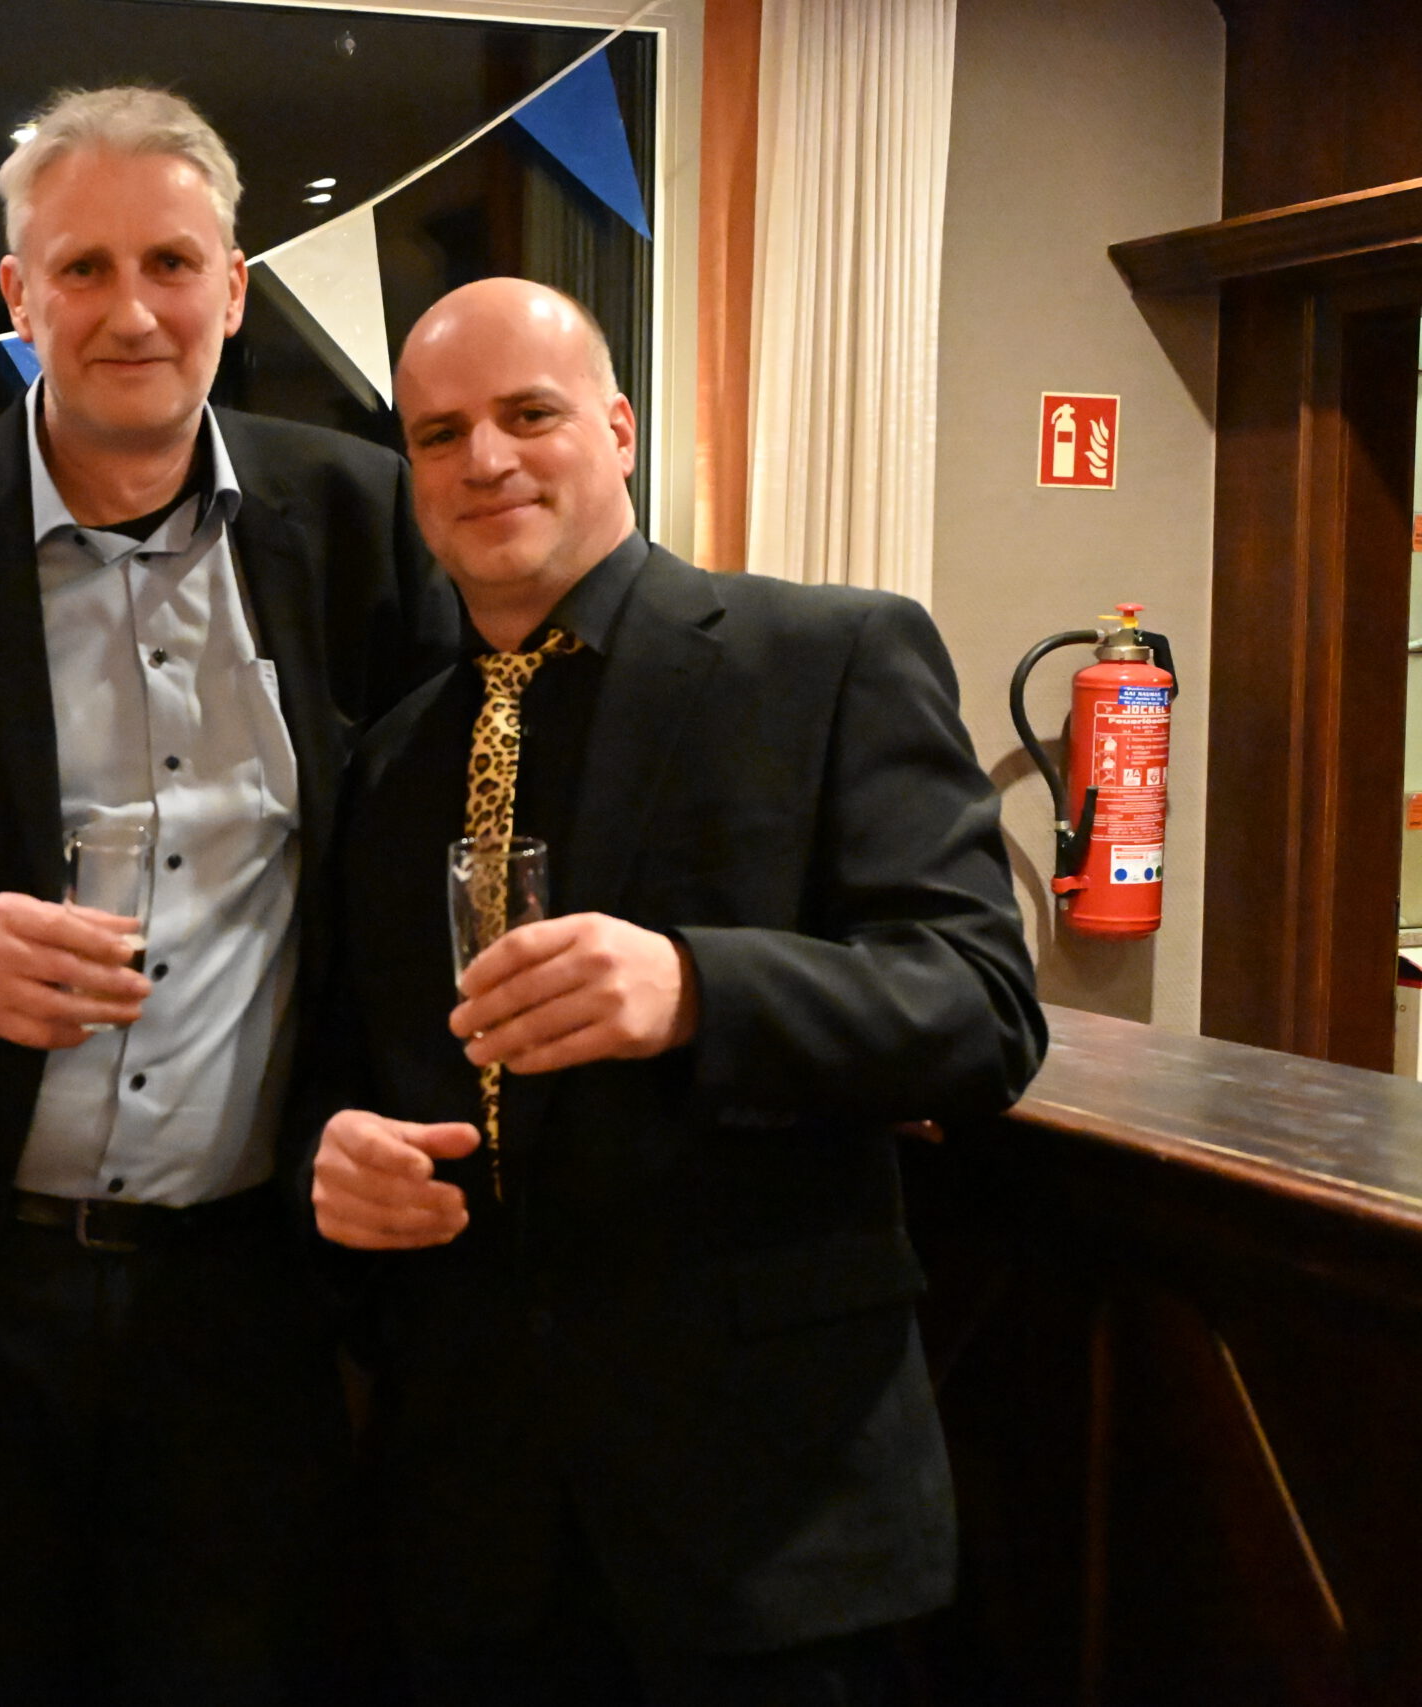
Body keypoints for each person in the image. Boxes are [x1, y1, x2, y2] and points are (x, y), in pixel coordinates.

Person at [0, 85, 456, 1707]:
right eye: (84, 268)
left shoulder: (359, 522)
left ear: (237, 287)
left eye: (172, 263)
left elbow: (414, 883)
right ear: (20, 297)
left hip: (248, 1302)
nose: (134, 312)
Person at [306, 278, 1044, 1704]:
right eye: (441, 434)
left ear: (620, 428)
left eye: (530, 415)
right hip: (472, 1520)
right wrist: (327, 1160)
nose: (486, 460)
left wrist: (699, 987)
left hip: (769, 1507)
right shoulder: (386, 759)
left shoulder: (829, 656)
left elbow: (981, 1009)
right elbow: (349, 1067)